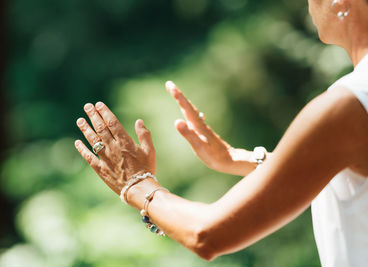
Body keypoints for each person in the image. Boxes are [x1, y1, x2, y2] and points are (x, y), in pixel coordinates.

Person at [74, 0, 368, 265]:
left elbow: (206, 235)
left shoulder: (346, 106)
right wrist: (239, 159)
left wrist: (136, 184)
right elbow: (342, 163)